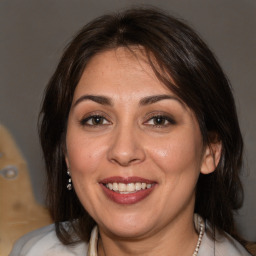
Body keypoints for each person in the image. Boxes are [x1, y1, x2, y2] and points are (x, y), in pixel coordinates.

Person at [10, 7, 252, 256]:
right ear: (66, 151)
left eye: (159, 120)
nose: (124, 151)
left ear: (210, 151)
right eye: (96, 120)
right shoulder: (31, 251)